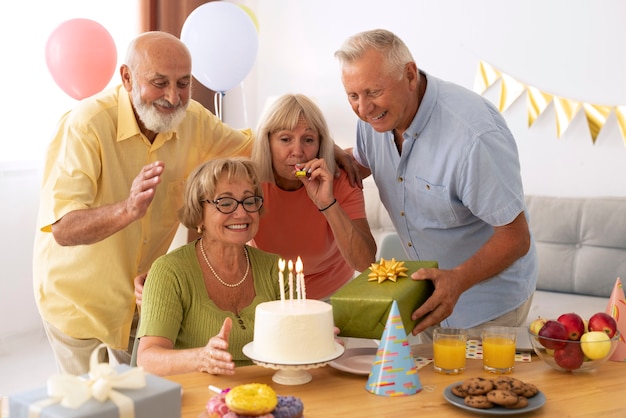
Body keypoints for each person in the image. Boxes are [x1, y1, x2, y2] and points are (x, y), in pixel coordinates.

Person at [32, 31, 256, 375]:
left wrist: (330, 155)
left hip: (143, 301)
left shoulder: (194, 120)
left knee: (149, 402)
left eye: (183, 83)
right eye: (159, 82)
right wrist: (128, 209)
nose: (173, 96)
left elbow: (254, 148)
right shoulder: (86, 125)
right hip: (77, 304)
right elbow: (63, 228)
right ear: (127, 77)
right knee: (94, 409)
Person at [334, 29, 538, 340]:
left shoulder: (473, 135)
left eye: (373, 92)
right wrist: (324, 158)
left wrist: (457, 280)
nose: (363, 109)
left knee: (471, 390)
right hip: (425, 298)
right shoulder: (372, 122)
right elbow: (364, 161)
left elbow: (516, 237)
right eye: (353, 96)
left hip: (487, 307)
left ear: (410, 76)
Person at [136, 158, 282, 376]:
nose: (242, 213)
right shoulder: (170, 271)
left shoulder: (276, 269)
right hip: (202, 402)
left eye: (249, 201)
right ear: (199, 213)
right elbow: (147, 359)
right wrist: (201, 358)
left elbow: (294, 343)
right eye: (225, 202)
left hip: (271, 397)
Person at [250, 94, 377, 300]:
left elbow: (366, 264)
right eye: (285, 139)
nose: (298, 152)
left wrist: (327, 203)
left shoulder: (340, 178)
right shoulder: (249, 181)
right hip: (268, 297)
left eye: (308, 140)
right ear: (268, 142)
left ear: (320, 144)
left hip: (333, 298)